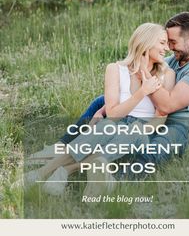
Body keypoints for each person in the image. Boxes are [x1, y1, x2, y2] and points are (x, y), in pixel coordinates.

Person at [24, 23, 175, 195]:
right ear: (146, 41)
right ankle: (45, 174)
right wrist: (142, 92)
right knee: (106, 127)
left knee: (133, 131)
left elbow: (161, 116)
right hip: (115, 122)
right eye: (162, 43)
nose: (167, 48)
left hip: (142, 131)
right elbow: (112, 113)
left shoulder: (167, 75)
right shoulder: (115, 69)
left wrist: (146, 78)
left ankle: (60, 171)